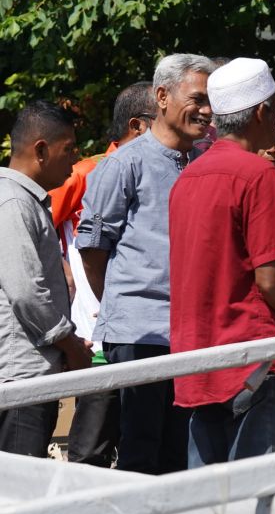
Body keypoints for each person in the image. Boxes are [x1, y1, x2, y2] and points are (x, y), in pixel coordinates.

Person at [76, 52, 216, 474]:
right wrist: (124, 303)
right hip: (140, 331)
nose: (207, 111)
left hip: (191, 331)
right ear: (161, 97)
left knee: (182, 450)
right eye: (198, 99)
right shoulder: (124, 163)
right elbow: (93, 247)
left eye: (212, 102)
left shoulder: (205, 164)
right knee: (140, 448)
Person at [169, 58, 275, 467]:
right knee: (261, 502)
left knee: (210, 509)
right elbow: (269, 279)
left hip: (197, 362)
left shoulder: (187, 178)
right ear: (263, 112)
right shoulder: (257, 173)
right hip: (254, 358)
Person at [49, 81, 153, 467]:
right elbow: (38, 230)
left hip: (150, 336)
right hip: (99, 340)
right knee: (91, 450)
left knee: (145, 446)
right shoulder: (85, 172)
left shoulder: (170, 168)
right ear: (138, 126)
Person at [0, 101, 92, 457]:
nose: (73, 161)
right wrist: (69, 345)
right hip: (20, 379)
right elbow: (26, 293)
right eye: (68, 148)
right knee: (18, 500)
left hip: (27, 374)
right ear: (41, 150)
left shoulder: (23, 201)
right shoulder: (14, 203)